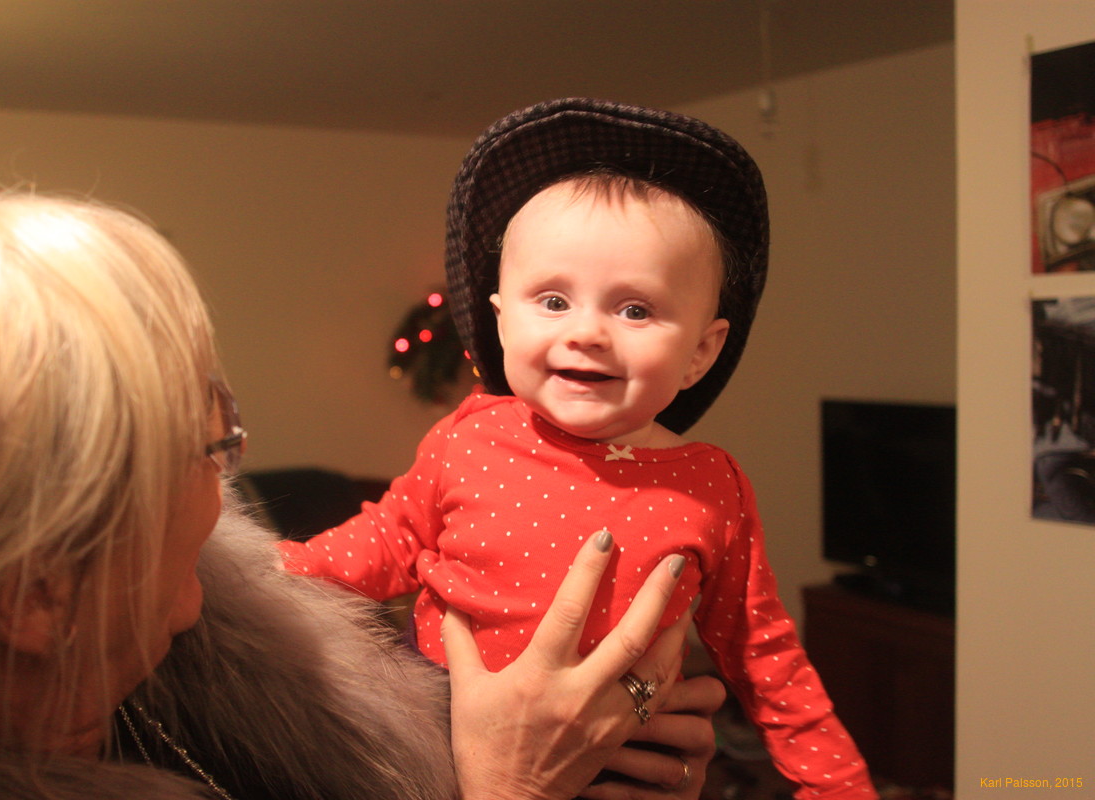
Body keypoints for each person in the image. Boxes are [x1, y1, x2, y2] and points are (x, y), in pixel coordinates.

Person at [0, 182, 726, 799]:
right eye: (206, 440)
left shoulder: (248, 653)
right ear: (37, 595)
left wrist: (595, 753)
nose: (232, 458)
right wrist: (515, 788)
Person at [280, 99, 876, 798]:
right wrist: (266, 574)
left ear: (700, 352)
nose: (587, 332)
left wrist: (837, 785)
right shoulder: (469, 437)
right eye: (554, 301)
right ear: (501, 322)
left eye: (635, 309)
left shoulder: (710, 485)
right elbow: (387, 539)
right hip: (440, 744)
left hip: (629, 764)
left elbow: (763, 651)